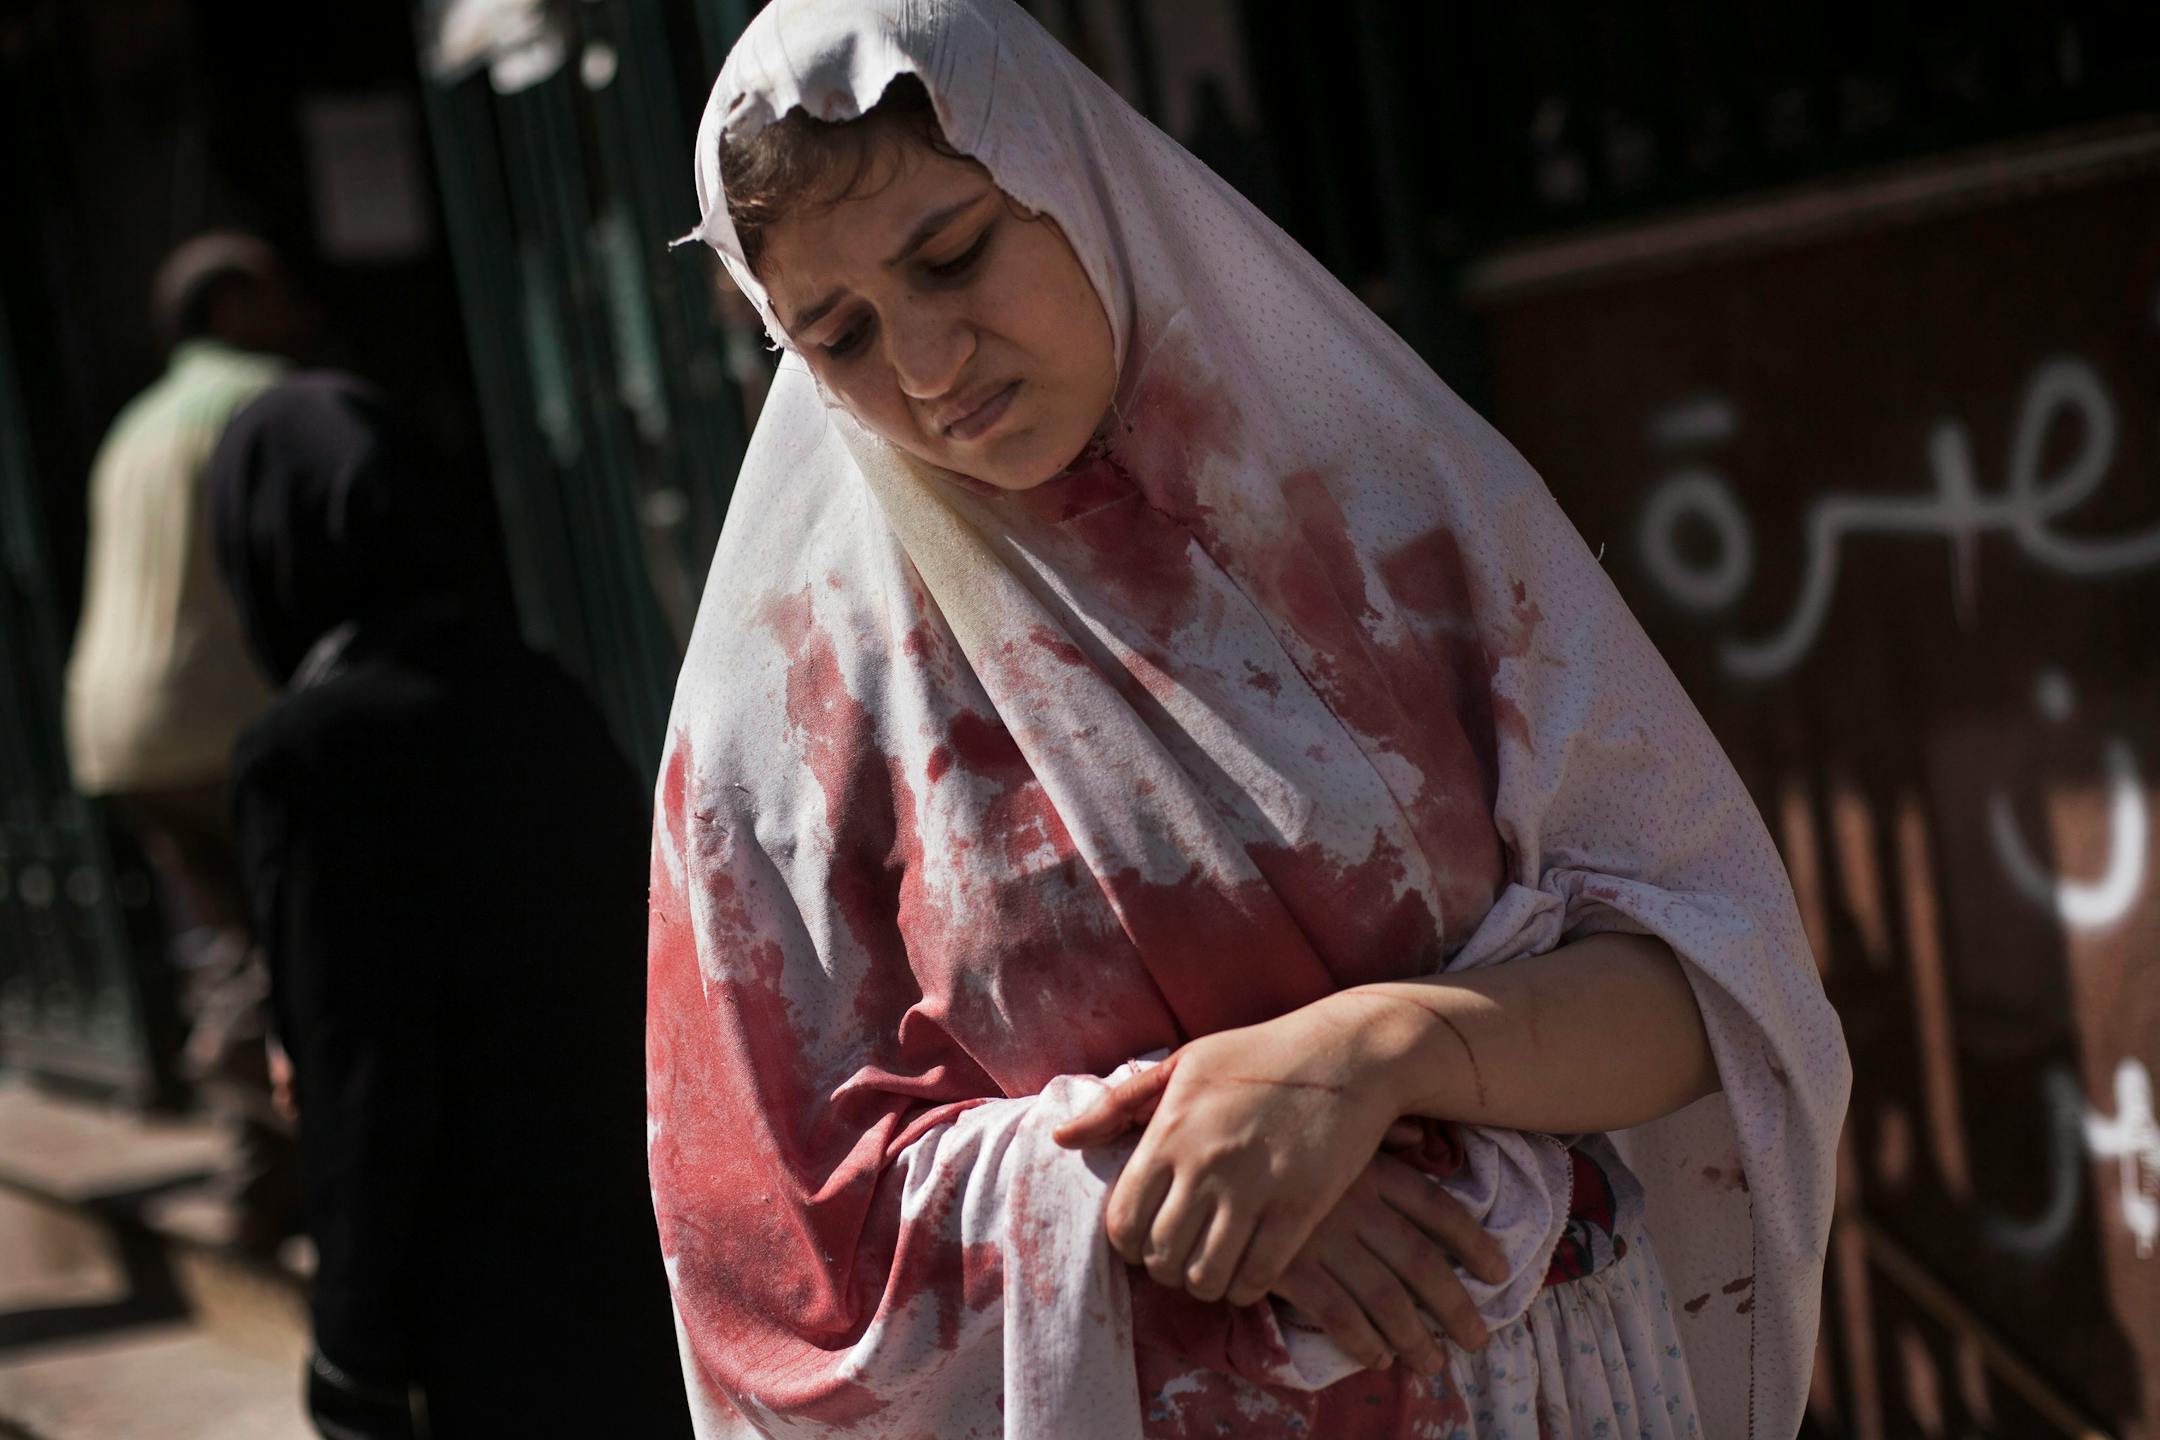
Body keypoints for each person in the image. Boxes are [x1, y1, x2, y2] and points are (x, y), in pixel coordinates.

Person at [649, 3, 1849, 1437]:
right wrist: (1150, 1191)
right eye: (838, 335)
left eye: (953, 254)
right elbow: (764, 1244)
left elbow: (1714, 991)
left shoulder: (1408, 537)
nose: (923, 363)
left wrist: (1365, 1062)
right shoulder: (790, 734)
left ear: (1071, 176)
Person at [209, 374, 691, 1439]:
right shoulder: (540, 691)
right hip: (637, 1235)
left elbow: (359, 1071)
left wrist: (352, 1342)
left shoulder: (305, 755)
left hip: (482, 1277)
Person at [65, 230, 314, 1245]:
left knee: (227, 943)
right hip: (222, 710)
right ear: (230, 309)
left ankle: (259, 1176)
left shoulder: (134, 425)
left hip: (118, 722)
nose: (296, 310)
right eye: (273, 293)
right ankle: (247, 1068)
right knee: (291, 936)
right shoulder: (264, 398)